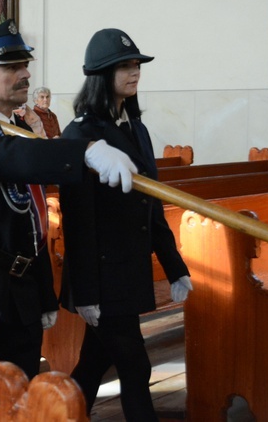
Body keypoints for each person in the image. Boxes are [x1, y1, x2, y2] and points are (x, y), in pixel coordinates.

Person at [0, 20, 137, 396]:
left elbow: (30, 220)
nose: (26, 74)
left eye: (25, 65)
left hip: (19, 291)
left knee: (15, 399)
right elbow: (0, 157)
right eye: (12, 67)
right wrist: (83, 150)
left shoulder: (19, 128)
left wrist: (43, 292)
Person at [58, 28, 193, 421]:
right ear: (101, 75)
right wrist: (85, 292)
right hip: (101, 278)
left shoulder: (137, 129)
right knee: (136, 366)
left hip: (127, 273)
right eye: (124, 66)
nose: (134, 72)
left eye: (136, 65)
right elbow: (77, 219)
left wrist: (174, 266)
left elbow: (151, 204)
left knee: (91, 365)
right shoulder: (80, 135)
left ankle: (56, 415)